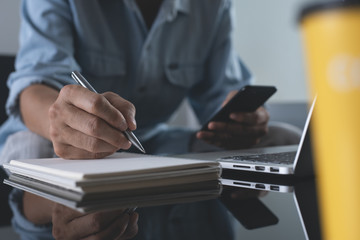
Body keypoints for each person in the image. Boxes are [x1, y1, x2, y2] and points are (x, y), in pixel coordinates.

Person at [0, 0, 301, 239]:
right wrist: (59, 122)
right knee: (34, 150)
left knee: (285, 137)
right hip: (48, 137)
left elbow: (220, 94)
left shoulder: (211, 5)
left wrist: (241, 117)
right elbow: (34, 82)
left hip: (150, 140)